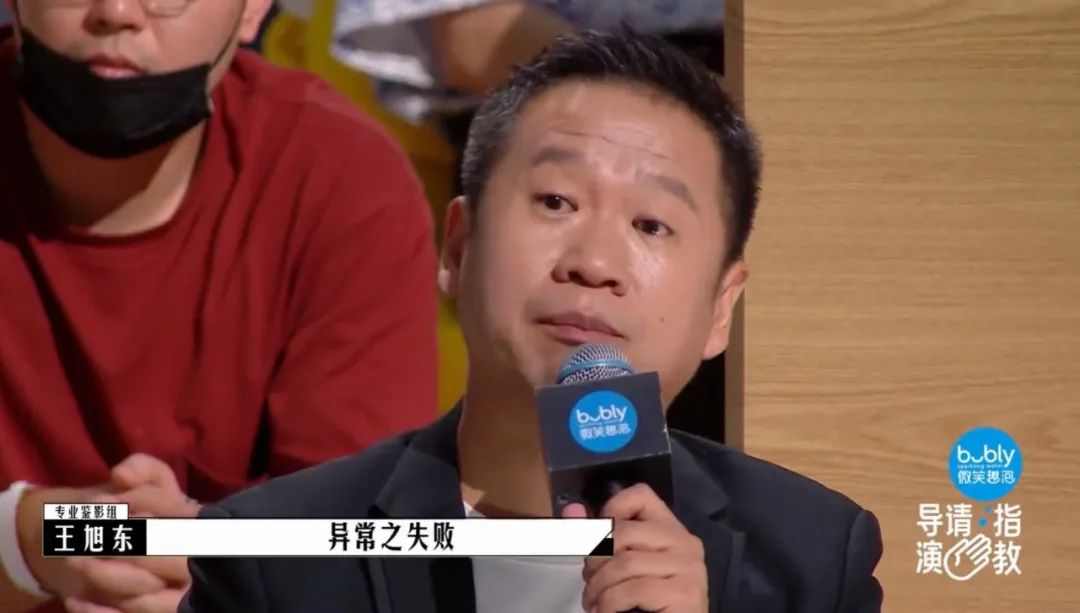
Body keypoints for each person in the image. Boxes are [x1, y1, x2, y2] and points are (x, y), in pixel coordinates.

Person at [179, 29, 885, 613]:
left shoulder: (811, 559)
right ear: (459, 248)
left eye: (651, 224)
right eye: (555, 202)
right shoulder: (272, 557)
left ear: (721, 309)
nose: (594, 262)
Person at [0, 0, 439, 611]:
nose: (118, 11)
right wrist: (23, 541)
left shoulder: (341, 182)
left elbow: (365, 548)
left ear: (253, 9)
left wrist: (215, 579)